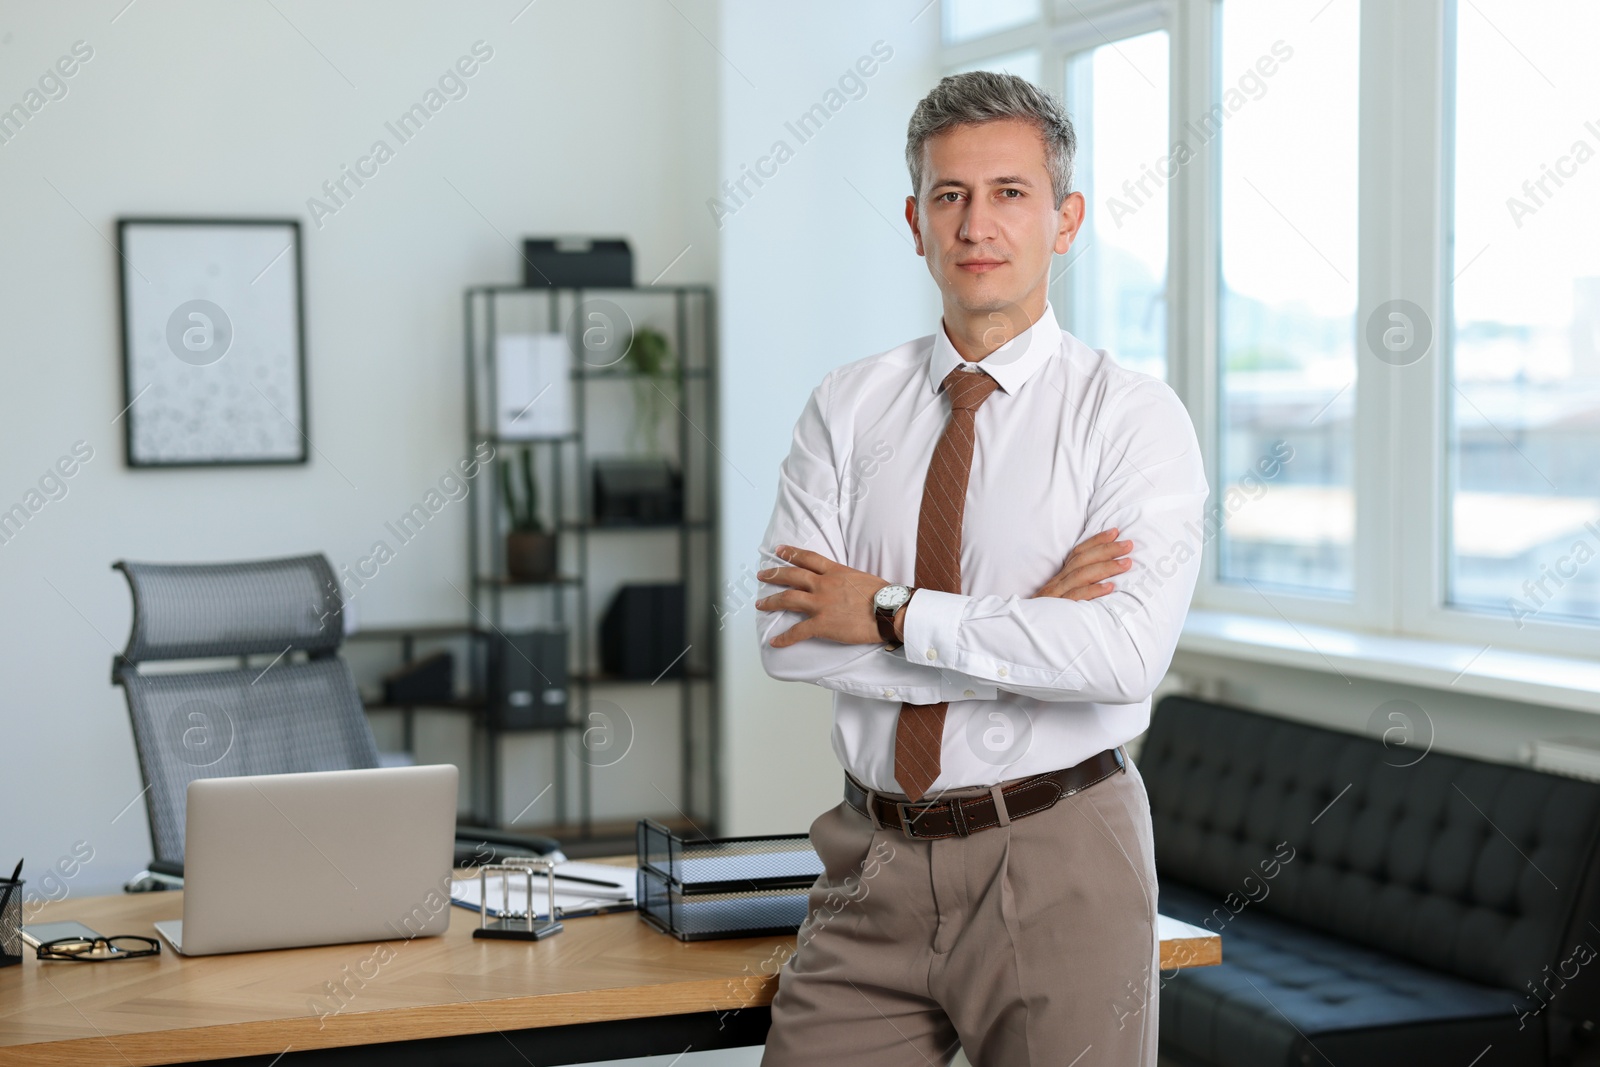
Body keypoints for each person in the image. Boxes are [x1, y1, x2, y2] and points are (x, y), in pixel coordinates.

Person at [752, 70, 1209, 1066]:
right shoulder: (847, 405)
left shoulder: (1130, 419)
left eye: (1009, 192)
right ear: (916, 221)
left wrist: (882, 609)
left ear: (1066, 217)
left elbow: (1124, 656)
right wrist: (1028, 624)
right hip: (868, 853)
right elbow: (788, 640)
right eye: (950, 196)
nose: (977, 223)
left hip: (1058, 849)